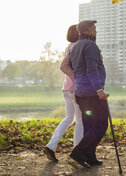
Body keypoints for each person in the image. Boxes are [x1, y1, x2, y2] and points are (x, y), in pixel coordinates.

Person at [69, 20, 109, 168]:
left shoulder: (75, 47)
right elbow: (91, 69)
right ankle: (77, 154)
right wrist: (99, 90)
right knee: (100, 124)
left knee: (89, 124)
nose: (96, 31)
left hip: (80, 92)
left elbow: (76, 69)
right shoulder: (90, 46)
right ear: (89, 30)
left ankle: (90, 156)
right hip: (92, 92)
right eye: (95, 28)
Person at [44, 25, 83, 162]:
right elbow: (63, 66)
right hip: (74, 88)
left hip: (67, 88)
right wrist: (77, 78)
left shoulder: (69, 46)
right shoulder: (76, 46)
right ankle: (77, 151)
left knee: (69, 118)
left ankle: (51, 146)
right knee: (80, 120)